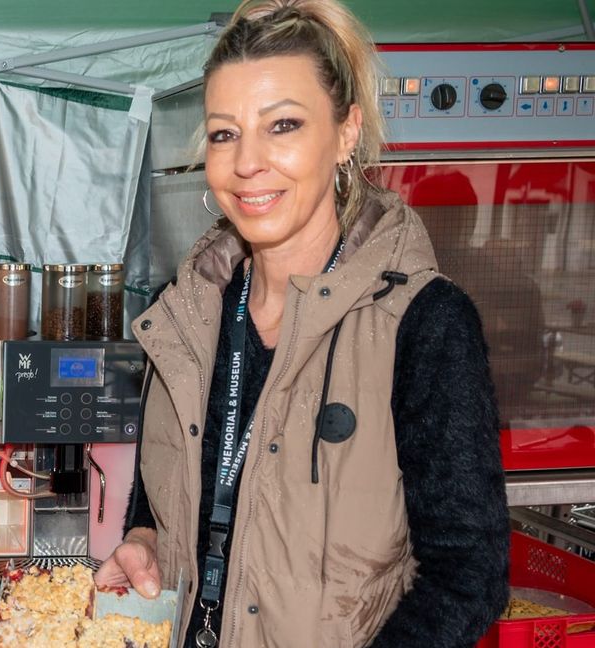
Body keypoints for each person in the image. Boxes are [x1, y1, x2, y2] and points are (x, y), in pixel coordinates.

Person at [94, 1, 510, 646]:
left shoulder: (423, 325)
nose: (247, 162)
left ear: (347, 132)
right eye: (224, 133)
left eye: (282, 125)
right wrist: (144, 538)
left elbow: (467, 577)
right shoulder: (187, 312)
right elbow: (174, 488)